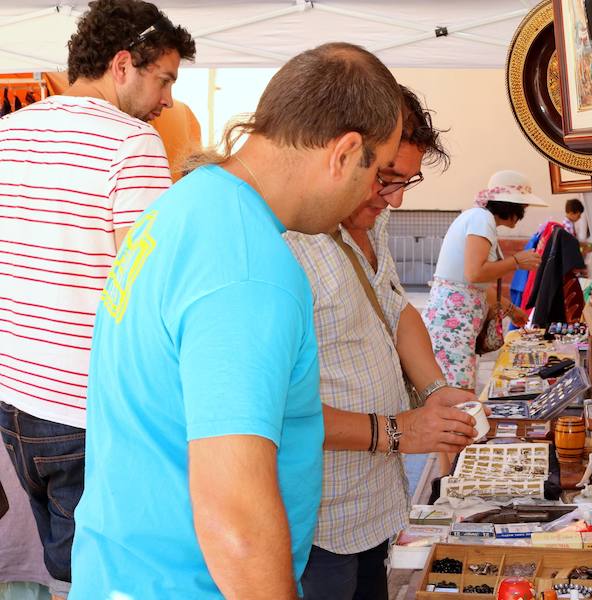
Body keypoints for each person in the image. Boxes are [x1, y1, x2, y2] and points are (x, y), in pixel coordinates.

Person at [69, 43, 403, 599]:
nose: (373, 193)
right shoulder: (250, 269)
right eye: (377, 170)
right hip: (190, 583)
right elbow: (236, 522)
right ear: (345, 152)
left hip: (125, 566)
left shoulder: (185, 203)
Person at [0, 2, 195, 597]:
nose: (166, 100)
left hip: (13, 394)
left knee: (71, 564)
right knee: (113, 569)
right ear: (122, 64)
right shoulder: (132, 143)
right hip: (89, 404)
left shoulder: (8, 133)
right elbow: (146, 290)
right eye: (163, 79)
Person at [285, 86, 479, 600]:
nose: (394, 197)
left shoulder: (376, 214)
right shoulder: (285, 243)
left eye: (404, 181)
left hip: (371, 504)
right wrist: (397, 432)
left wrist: (435, 389)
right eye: (387, 179)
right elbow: (277, 409)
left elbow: (395, 308)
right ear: (344, 153)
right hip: (315, 522)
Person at [424, 170, 546, 391]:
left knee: (458, 392)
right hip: (452, 324)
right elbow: (475, 273)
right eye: (523, 207)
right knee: (459, 395)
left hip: (455, 322)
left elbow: (475, 285)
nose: (524, 213)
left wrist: (512, 310)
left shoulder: (479, 218)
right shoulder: (482, 219)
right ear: (512, 206)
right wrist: (516, 261)